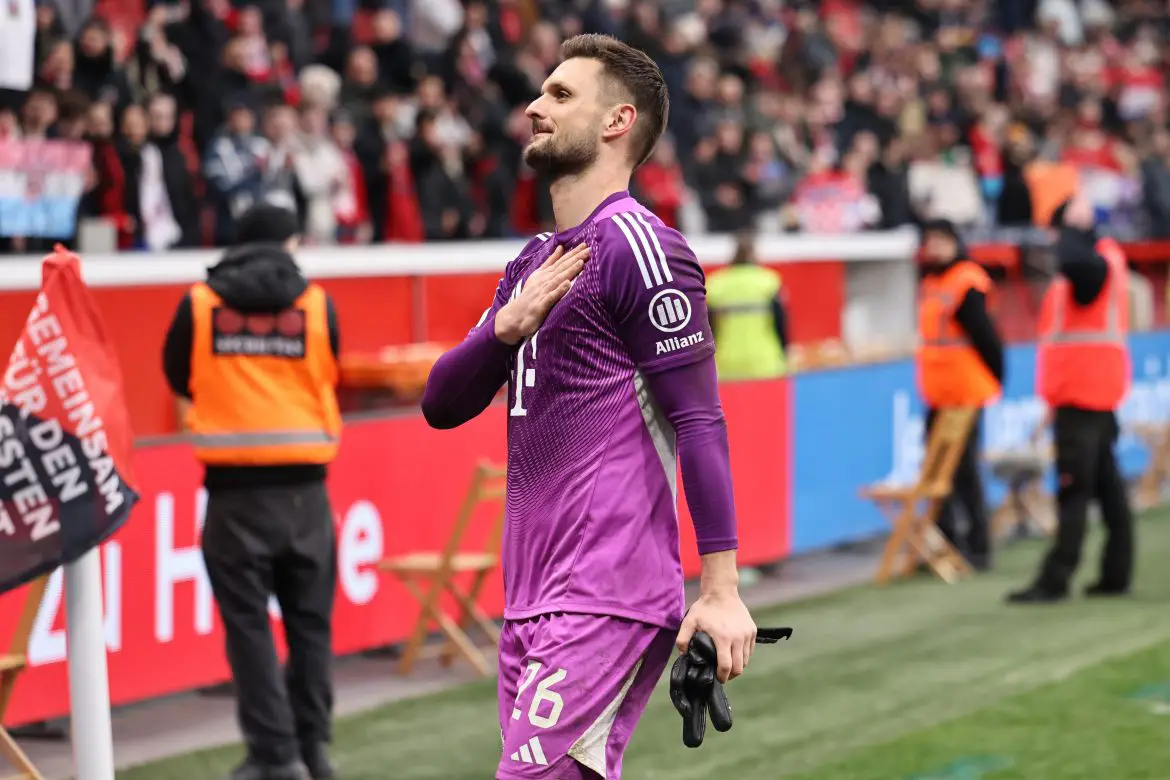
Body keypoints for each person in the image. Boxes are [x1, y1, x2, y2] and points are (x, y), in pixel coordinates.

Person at [420, 34, 758, 780]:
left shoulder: (640, 248)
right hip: (532, 597)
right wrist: (503, 332)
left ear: (617, 122)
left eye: (561, 95)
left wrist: (722, 590)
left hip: (606, 591)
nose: (535, 107)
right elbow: (441, 403)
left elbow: (700, 419)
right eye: (541, 92)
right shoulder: (533, 261)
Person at [162, 203, 342, 780]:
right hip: (306, 493)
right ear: (290, 242)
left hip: (235, 495)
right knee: (310, 628)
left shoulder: (198, 304)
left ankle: (276, 756)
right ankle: (313, 751)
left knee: (249, 631)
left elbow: (175, 375)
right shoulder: (316, 304)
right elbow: (329, 368)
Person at [1008, 194, 1134, 604]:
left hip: (1083, 395)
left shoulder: (1091, 263)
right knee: (1109, 491)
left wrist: (1074, 229)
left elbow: (1077, 264)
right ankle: (1115, 574)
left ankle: (1056, 578)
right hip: (1089, 393)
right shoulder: (1101, 262)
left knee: (1074, 490)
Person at [915, 218, 1004, 572]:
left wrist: (995, 376)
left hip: (963, 392)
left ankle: (978, 546)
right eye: (930, 241)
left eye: (940, 241)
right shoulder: (933, 281)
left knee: (963, 472)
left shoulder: (966, 281)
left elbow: (986, 335)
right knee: (937, 471)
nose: (934, 248)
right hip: (940, 392)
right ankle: (944, 540)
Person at [705, 230, 789, 379]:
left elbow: (708, 329)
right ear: (755, 253)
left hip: (726, 363)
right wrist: (785, 352)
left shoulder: (715, 284)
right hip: (766, 362)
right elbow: (781, 324)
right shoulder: (769, 281)